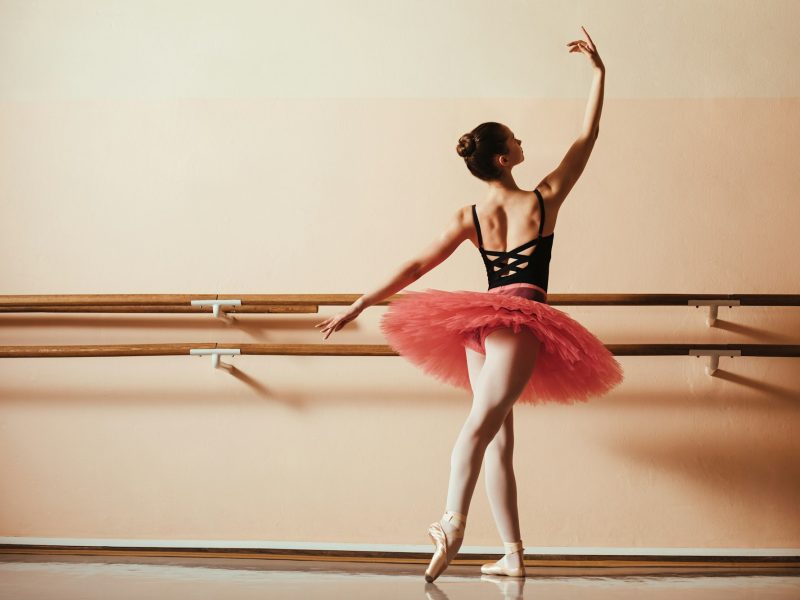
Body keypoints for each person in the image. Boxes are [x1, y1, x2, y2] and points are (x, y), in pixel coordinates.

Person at [315, 27, 621, 583]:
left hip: (479, 323)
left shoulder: (470, 217)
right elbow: (589, 136)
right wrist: (599, 74)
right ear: (505, 159)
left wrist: (361, 301)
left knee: (497, 435)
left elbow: (414, 268)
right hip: (520, 319)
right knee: (484, 426)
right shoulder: (543, 201)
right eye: (516, 139)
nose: (523, 142)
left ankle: (512, 553)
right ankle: (451, 525)